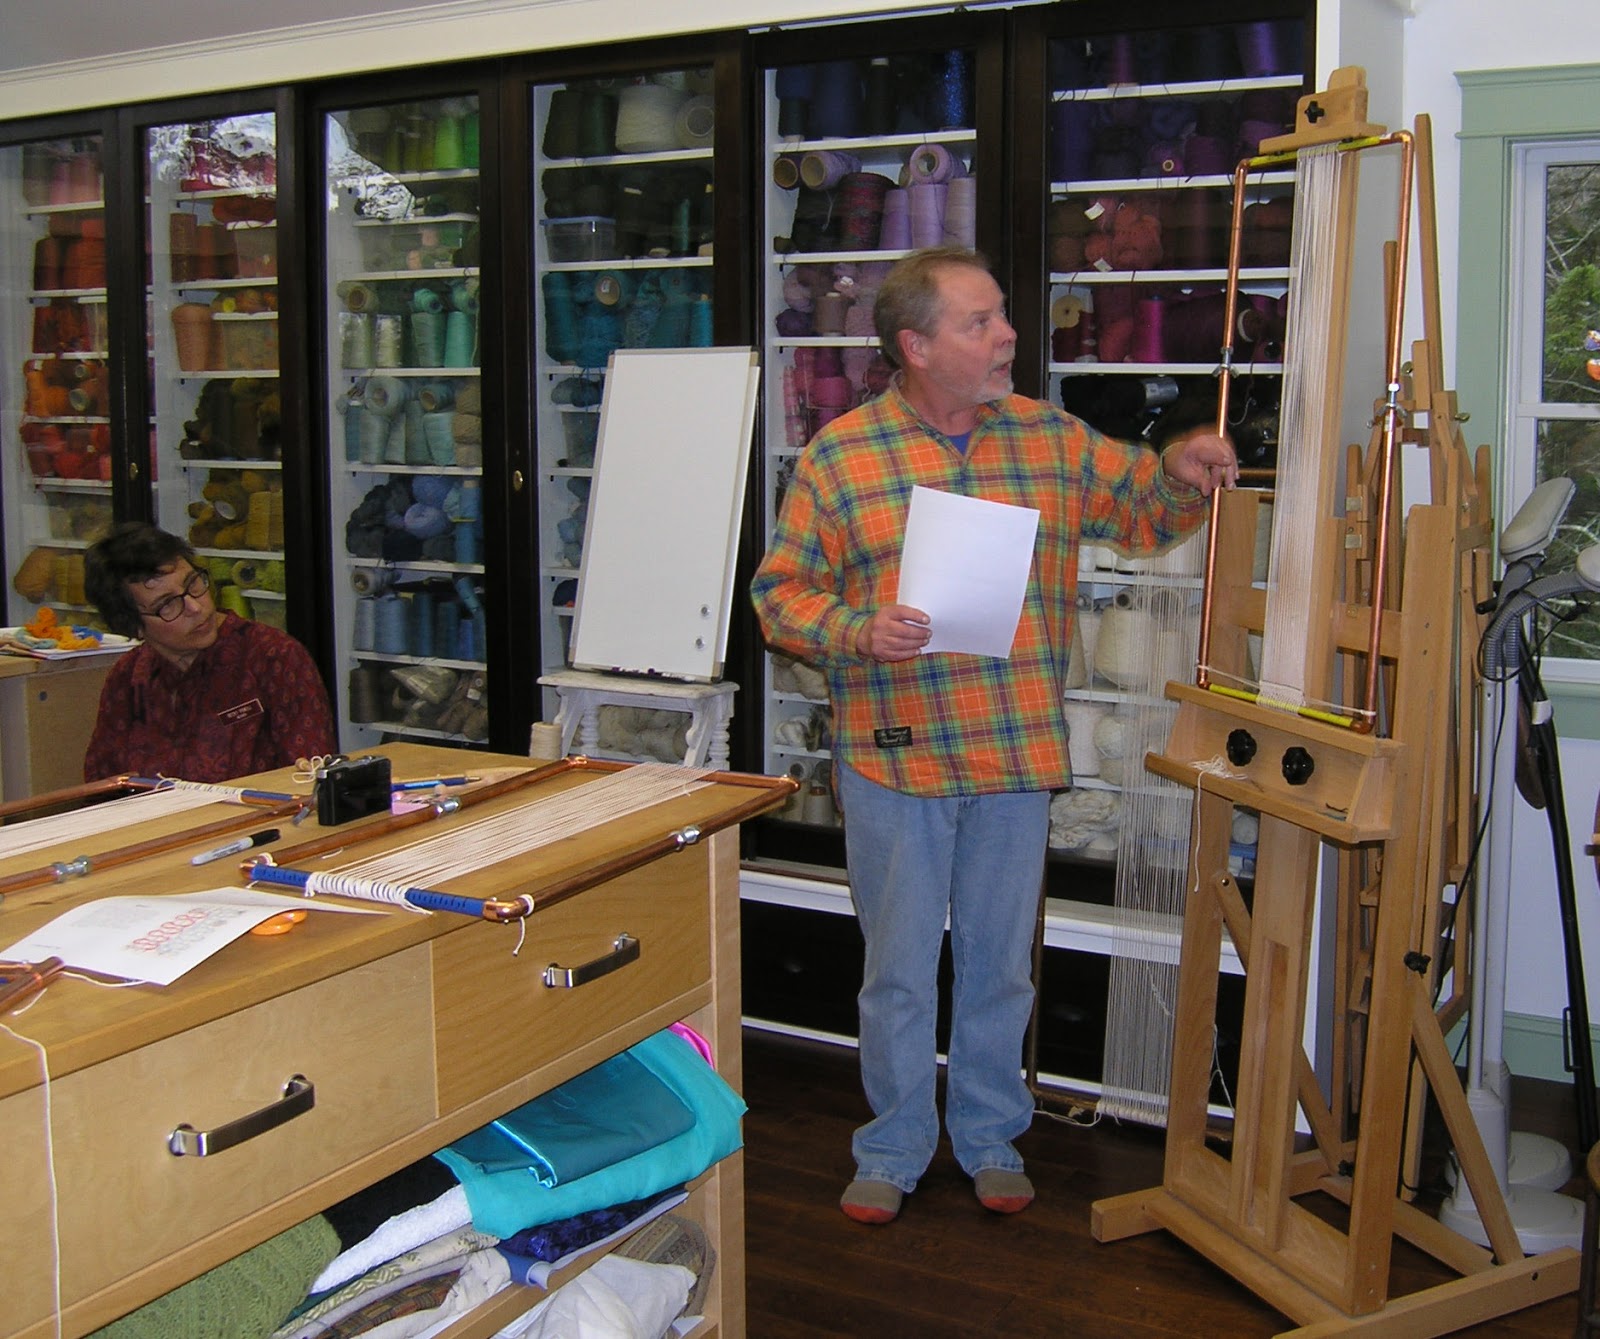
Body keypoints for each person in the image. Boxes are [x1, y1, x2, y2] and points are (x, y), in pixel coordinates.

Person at [750, 247, 1236, 1225]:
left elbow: (1141, 513)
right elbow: (779, 595)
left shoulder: (1049, 439)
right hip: (894, 750)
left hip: (1013, 750)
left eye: (1001, 315)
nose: (1008, 334)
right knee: (895, 968)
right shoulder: (843, 456)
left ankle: (989, 1136)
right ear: (916, 346)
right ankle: (890, 1145)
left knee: (997, 961)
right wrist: (858, 629)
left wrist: (1182, 471)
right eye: (981, 322)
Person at [82, 522, 338, 784]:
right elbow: (101, 788)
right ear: (133, 625)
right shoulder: (127, 680)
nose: (195, 607)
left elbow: (312, 779)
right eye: (168, 604)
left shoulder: (274, 658)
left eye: (193, 583)